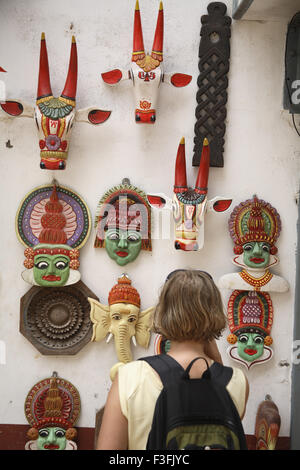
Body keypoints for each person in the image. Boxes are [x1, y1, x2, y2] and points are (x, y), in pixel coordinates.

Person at [97, 269, 249, 450]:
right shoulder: (238, 381)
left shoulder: (130, 377)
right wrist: (206, 331)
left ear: (162, 312)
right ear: (215, 313)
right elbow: (215, 407)